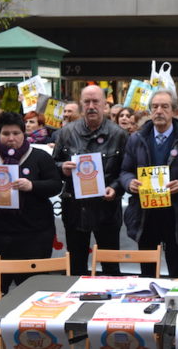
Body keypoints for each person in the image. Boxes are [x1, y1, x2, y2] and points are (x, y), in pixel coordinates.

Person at [0, 112, 63, 344]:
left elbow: (56, 185)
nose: (11, 138)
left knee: (31, 282)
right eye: (6, 133)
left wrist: (32, 185)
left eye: (16, 133)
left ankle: (28, 324)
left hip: (32, 233)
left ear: (23, 134)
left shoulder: (39, 157)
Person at [121, 88, 178, 277]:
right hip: (145, 214)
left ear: (174, 111)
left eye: (164, 106)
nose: (159, 111)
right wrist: (129, 183)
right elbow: (125, 171)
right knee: (147, 271)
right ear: (149, 111)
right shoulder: (136, 139)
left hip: (176, 214)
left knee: (177, 270)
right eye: (155, 107)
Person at [53, 85, 128, 275]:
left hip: (107, 209)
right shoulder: (66, 133)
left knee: (111, 267)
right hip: (75, 209)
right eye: (87, 102)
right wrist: (63, 168)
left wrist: (115, 188)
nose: (91, 106)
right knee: (76, 266)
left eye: (96, 101)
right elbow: (52, 166)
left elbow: (126, 170)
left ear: (105, 105)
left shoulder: (119, 134)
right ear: (81, 105)